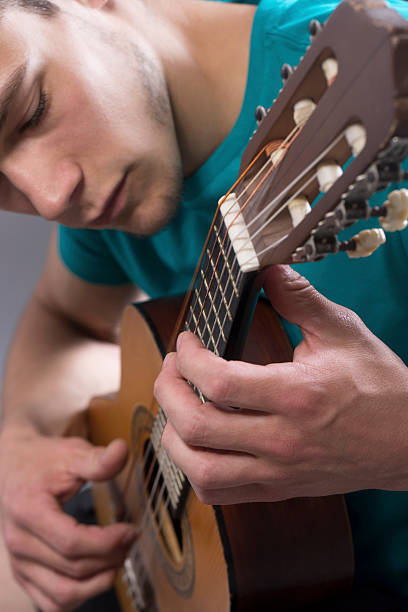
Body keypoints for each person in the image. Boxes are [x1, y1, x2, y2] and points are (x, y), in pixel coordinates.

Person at [0, 0, 407, 610]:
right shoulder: (111, 182)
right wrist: (18, 444)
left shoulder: (374, 85)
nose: (53, 197)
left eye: (31, 111)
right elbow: (67, 319)